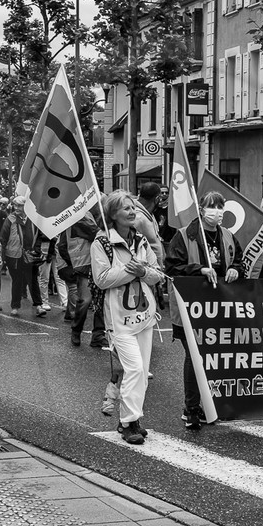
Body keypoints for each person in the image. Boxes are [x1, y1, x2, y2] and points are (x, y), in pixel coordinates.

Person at [92, 190, 166, 444]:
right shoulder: (101, 243)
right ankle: (127, 423)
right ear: (113, 214)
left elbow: (158, 274)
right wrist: (131, 270)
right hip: (118, 319)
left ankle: (133, 418)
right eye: (126, 208)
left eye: (133, 207)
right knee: (133, 368)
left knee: (142, 371)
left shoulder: (141, 241)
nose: (133, 212)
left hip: (144, 315)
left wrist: (143, 271)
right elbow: (102, 280)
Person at [166, 190, 239, 429]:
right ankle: (191, 408)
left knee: (215, 358)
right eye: (211, 206)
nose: (216, 211)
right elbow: (173, 266)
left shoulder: (227, 236)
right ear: (201, 209)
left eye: (220, 206)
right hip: (191, 309)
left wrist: (235, 269)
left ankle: (213, 404)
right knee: (194, 357)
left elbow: (239, 260)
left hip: (219, 308)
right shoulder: (184, 236)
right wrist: (199, 270)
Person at [60, 210, 108, 348]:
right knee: (86, 300)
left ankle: (97, 334)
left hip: (95, 263)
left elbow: (62, 245)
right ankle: (78, 330)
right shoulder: (79, 215)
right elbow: (95, 233)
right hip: (86, 265)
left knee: (100, 300)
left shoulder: (84, 214)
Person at [0, 204, 42, 316]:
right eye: (15, 206)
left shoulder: (33, 218)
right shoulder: (10, 219)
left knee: (32, 280)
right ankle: (15, 307)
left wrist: (36, 250)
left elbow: (39, 235)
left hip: (30, 255)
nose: (17, 208)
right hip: (13, 255)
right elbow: (3, 238)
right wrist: (2, 257)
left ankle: (38, 305)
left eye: (20, 206)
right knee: (17, 281)